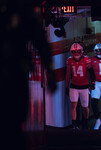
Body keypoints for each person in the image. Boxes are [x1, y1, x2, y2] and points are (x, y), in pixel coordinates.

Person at [0, 0, 57, 149]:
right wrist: (50, 71)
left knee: (16, 122)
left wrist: (50, 71)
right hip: (16, 73)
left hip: (16, 73)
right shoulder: (21, 11)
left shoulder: (21, 11)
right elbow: (41, 43)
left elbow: (40, 42)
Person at [66, 43, 95, 130]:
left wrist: (92, 82)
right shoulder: (70, 60)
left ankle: (85, 122)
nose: (76, 53)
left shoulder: (86, 59)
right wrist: (66, 87)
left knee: (85, 107)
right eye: (74, 51)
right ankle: (74, 124)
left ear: (81, 51)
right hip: (74, 86)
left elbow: (91, 71)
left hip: (84, 86)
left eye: (78, 51)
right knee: (73, 105)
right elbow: (68, 74)